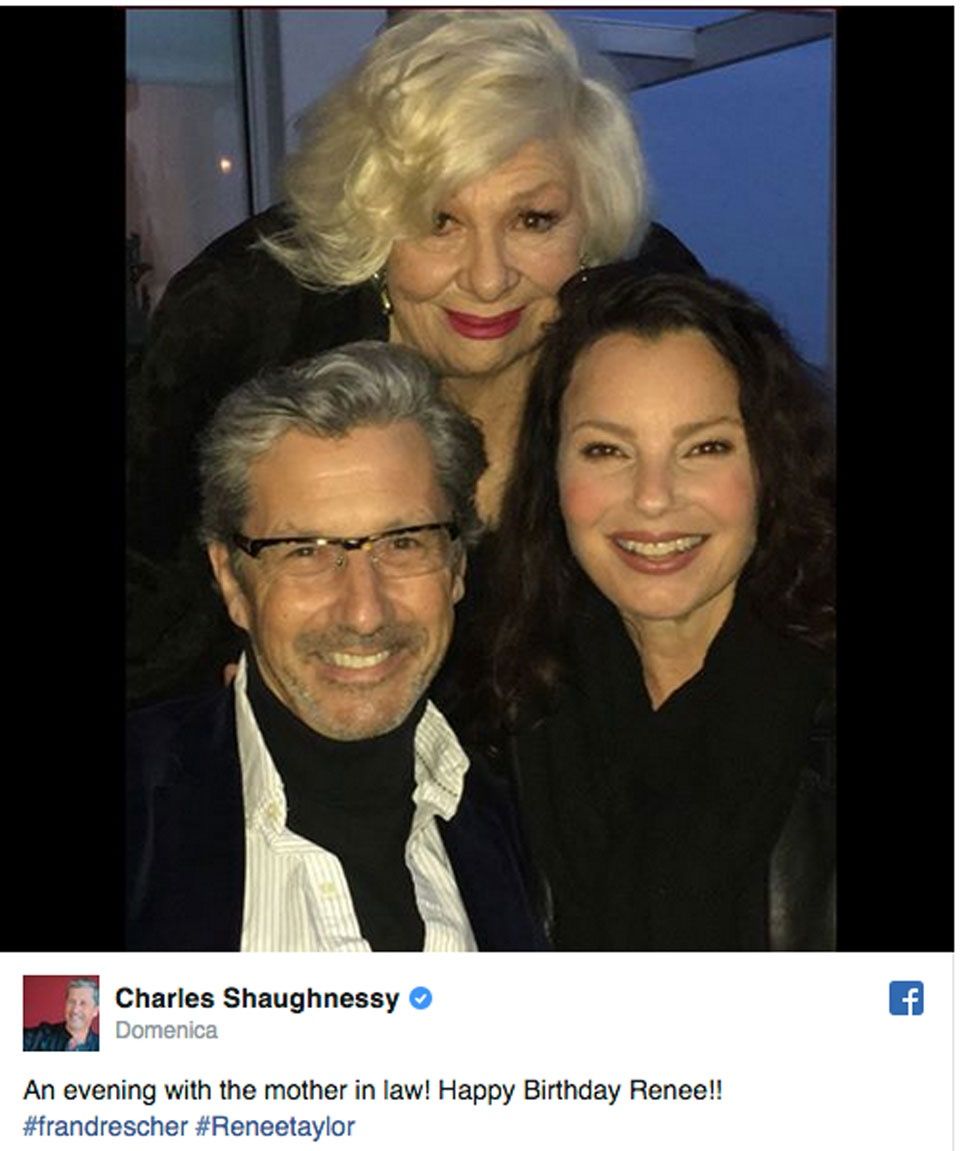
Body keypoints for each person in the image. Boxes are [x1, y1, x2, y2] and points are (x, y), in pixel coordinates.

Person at [127, 8, 701, 705]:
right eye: (438, 220)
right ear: (371, 221)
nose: (488, 278)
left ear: (593, 229)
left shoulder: (656, 337)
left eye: (533, 219)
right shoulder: (246, 328)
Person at [127, 342, 545, 952]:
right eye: (304, 551)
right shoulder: (141, 805)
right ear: (230, 580)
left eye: (404, 543)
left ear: (456, 564)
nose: (364, 611)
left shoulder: (530, 816)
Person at [472, 267, 835, 951]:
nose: (653, 497)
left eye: (705, 447)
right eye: (606, 449)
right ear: (552, 473)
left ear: (772, 463)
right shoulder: (495, 715)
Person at [24, 980, 100, 1051]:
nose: (75, 1010)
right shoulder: (40, 1037)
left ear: (95, 1010)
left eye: (83, 1003)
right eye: (71, 1002)